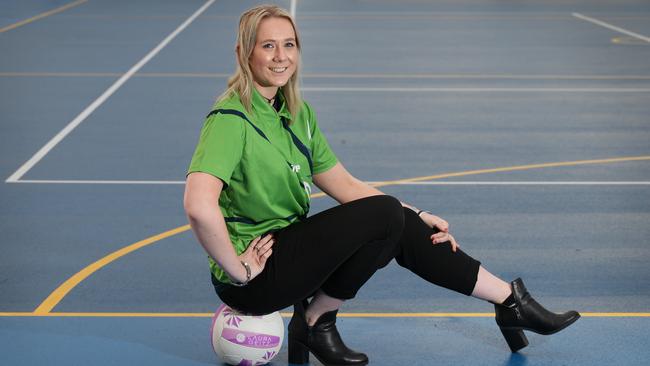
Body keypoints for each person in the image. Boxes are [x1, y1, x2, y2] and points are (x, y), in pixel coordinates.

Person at [184, 5, 579, 366]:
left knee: (398, 218)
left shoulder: (296, 114)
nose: (280, 56)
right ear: (244, 53)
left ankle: (509, 301)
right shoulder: (229, 120)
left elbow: (346, 185)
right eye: (267, 46)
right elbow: (199, 206)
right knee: (387, 214)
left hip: (291, 254)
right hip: (256, 278)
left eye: (289, 45)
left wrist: (418, 214)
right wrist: (237, 270)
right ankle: (317, 320)